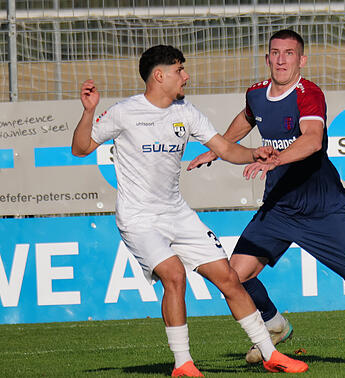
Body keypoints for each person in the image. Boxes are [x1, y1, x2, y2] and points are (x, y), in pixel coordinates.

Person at [70, 45, 308, 377]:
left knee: (228, 278)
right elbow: (80, 148)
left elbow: (224, 148)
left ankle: (271, 355)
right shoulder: (125, 112)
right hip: (139, 219)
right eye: (180, 70)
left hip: (177, 214)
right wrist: (88, 111)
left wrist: (255, 153)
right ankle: (183, 364)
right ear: (159, 75)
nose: (186, 76)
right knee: (174, 275)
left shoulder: (186, 111)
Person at [187, 29, 345, 364]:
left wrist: (276, 158)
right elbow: (247, 119)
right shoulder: (258, 94)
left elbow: (312, 140)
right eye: (275, 53)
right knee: (234, 275)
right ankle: (275, 324)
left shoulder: (308, 94)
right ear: (267, 59)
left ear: (301, 60)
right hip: (279, 209)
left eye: (289, 53)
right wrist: (217, 150)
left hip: (324, 210)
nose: (281, 59)